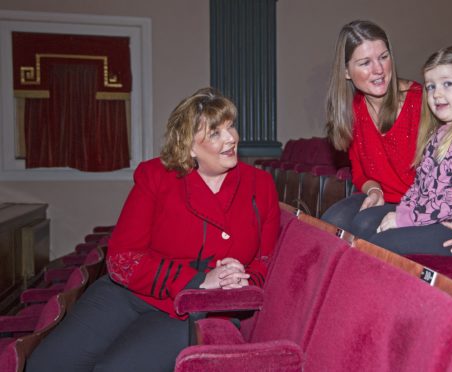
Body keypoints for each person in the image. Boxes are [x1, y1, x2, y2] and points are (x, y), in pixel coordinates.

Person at [27, 87, 280, 372]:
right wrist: (198, 279)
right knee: (46, 364)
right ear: (189, 147)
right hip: (128, 294)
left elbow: (265, 258)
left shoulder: (260, 185)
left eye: (230, 126)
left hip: (194, 310)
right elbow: (121, 259)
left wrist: (242, 282)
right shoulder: (155, 177)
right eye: (215, 133)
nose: (231, 138)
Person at [322, 20, 452, 257]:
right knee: (329, 224)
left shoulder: (428, 101)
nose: (378, 70)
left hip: (432, 211)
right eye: (365, 63)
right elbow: (360, 173)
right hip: (405, 204)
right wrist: (374, 191)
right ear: (347, 72)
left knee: (366, 228)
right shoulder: (352, 112)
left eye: (383, 57)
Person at [373, 45, 452, 256]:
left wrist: (406, 219)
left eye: (447, 84)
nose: (437, 93)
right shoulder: (439, 133)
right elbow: (420, 184)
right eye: (431, 86)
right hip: (438, 220)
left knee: (384, 244)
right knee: (372, 230)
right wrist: (402, 211)